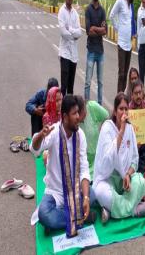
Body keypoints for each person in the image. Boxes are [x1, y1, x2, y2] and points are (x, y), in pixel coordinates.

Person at [30, 95, 94, 237]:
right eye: (74, 114)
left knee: (93, 194)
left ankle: (64, 218)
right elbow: (34, 149)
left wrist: (85, 198)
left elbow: (84, 169)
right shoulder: (53, 132)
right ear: (65, 117)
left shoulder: (80, 135)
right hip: (56, 192)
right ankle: (78, 218)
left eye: (78, 112)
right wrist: (40, 135)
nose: (78, 117)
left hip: (75, 190)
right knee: (44, 214)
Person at [93, 92, 145, 224]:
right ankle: (134, 210)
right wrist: (122, 130)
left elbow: (135, 159)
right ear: (114, 111)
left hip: (124, 180)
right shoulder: (107, 128)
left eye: (126, 109)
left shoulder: (130, 128)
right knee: (101, 193)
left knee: (141, 182)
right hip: (107, 179)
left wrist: (129, 175)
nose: (123, 112)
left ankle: (111, 211)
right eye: (121, 109)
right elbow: (107, 161)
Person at [110, 0, 138, 93]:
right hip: (121, 43)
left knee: (126, 73)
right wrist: (118, 28)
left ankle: (124, 97)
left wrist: (134, 32)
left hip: (128, 43)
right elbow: (111, 15)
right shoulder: (120, 0)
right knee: (121, 73)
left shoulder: (130, 3)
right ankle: (119, 97)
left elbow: (131, 20)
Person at [84, 0, 107, 105]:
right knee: (87, 81)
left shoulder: (102, 11)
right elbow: (88, 31)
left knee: (100, 82)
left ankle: (100, 106)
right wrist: (99, 29)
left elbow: (105, 31)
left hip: (100, 51)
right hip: (91, 50)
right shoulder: (88, 10)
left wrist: (95, 28)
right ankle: (86, 108)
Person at [74, 95, 109, 177]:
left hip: (97, 157)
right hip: (82, 161)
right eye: (80, 114)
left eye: (84, 111)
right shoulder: (73, 120)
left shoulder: (92, 107)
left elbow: (107, 116)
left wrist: (102, 131)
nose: (84, 115)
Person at [58, 0, 83, 97]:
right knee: (63, 87)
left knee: (71, 88)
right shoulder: (61, 12)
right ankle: (62, 113)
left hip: (74, 54)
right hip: (64, 53)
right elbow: (63, 33)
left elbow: (80, 33)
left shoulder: (75, 14)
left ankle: (69, 113)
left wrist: (71, 30)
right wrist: (74, 33)